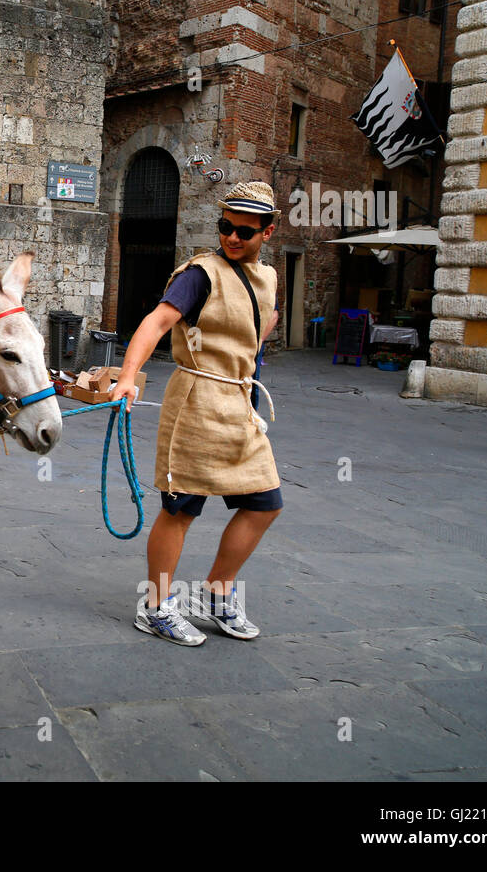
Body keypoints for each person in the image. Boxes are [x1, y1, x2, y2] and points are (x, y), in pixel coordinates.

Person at [112, 181, 283, 646]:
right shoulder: (200, 274)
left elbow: (257, 338)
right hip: (196, 401)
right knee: (180, 508)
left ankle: (216, 592)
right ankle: (156, 607)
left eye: (245, 232)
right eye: (226, 227)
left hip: (239, 404)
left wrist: (249, 394)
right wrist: (129, 375)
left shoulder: (267, 280)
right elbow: (157, 321)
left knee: (264, 503)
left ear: (267, 233)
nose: (232, 238)